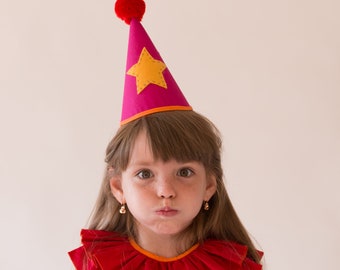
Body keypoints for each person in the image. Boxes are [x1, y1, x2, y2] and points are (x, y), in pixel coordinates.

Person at [69, 1, 263, 269]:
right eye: (145, 174)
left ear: (209, 185)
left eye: (184, 172)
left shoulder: (231, 264)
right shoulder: (99, 264)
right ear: (118, 187)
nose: (166, 191)